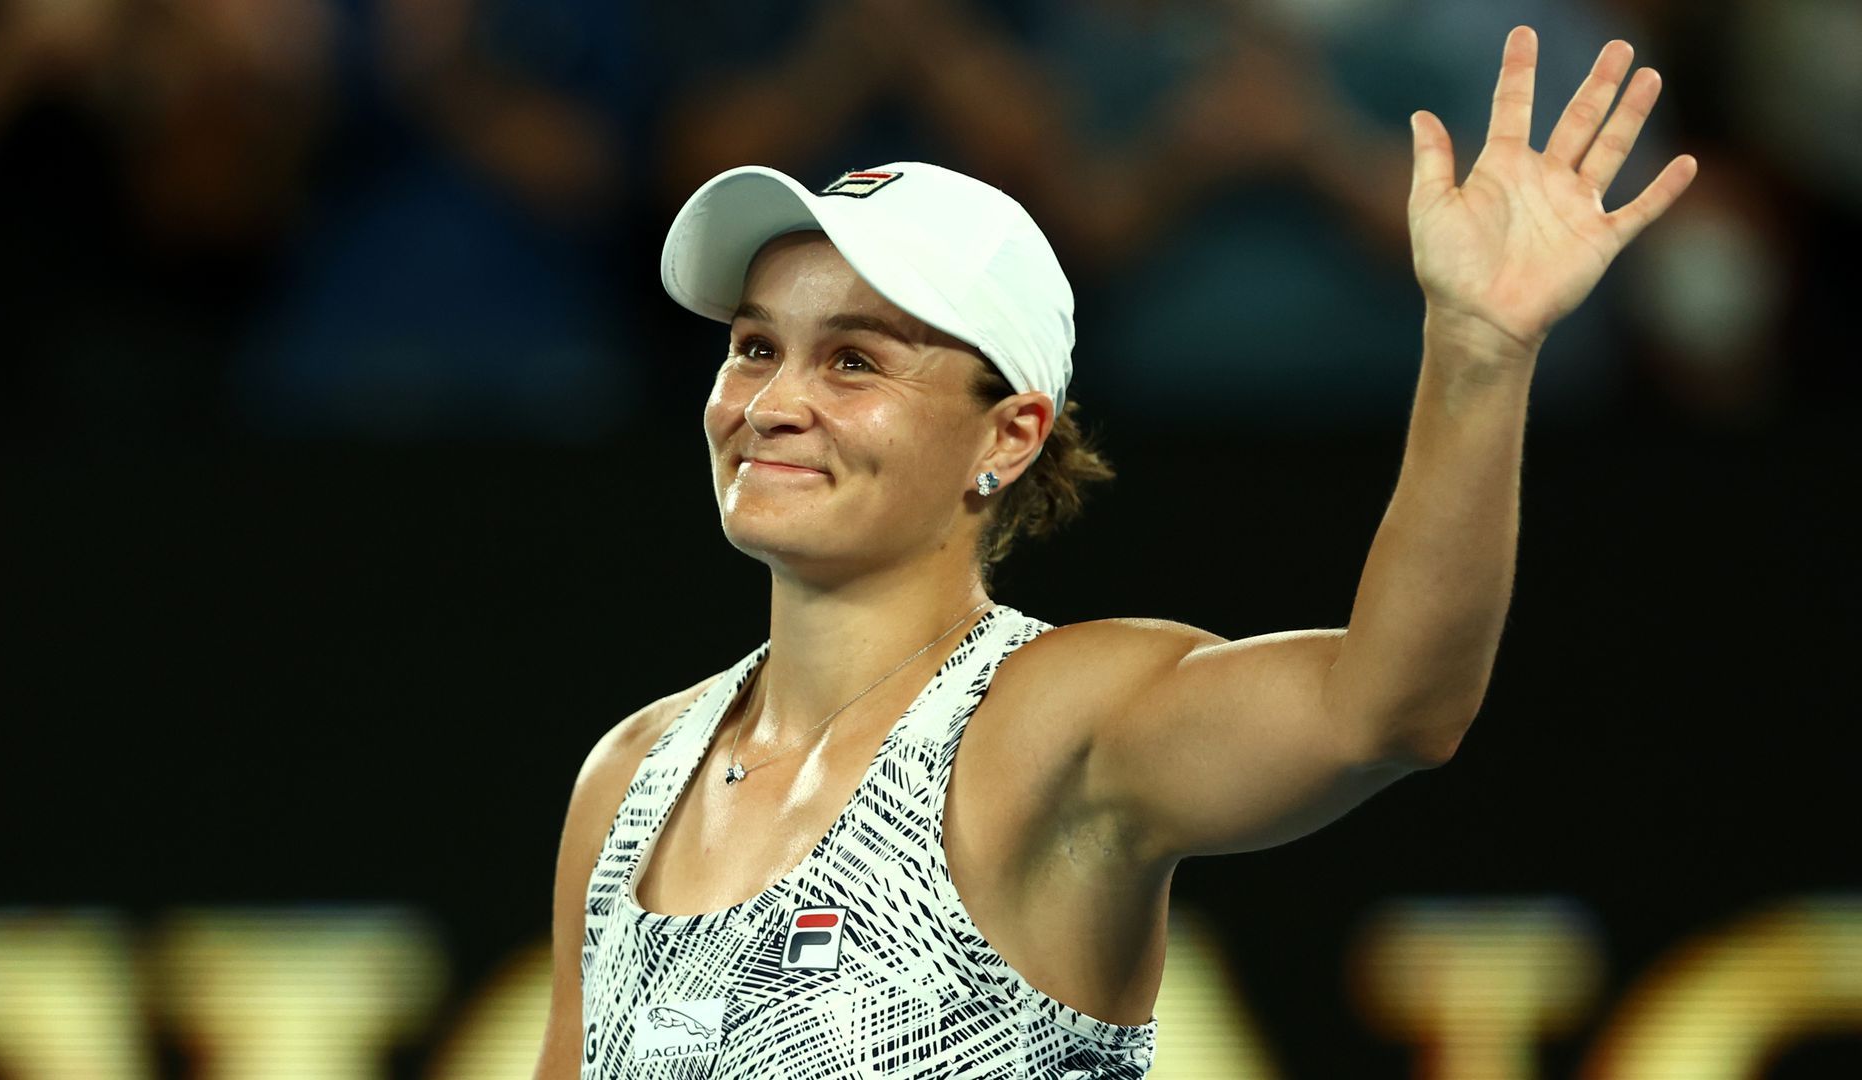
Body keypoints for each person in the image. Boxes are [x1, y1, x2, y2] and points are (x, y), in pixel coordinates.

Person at [532, 26, 1696, 1078]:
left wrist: (1480, 349)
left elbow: (1390, 708)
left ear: (1009, 435)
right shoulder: (629, 776)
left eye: (854, 362)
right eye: (753, 347)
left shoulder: (1053, 723)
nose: (772, 403)